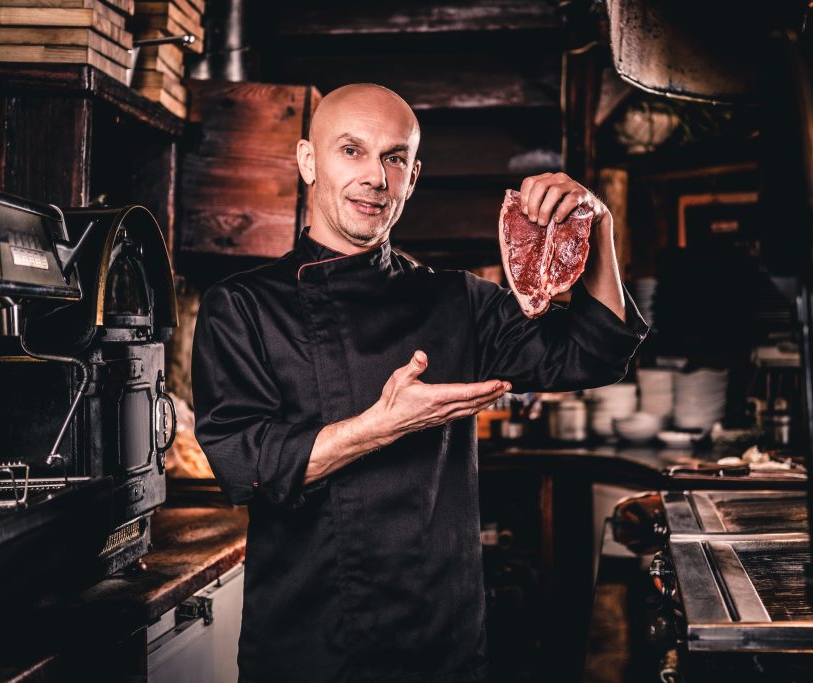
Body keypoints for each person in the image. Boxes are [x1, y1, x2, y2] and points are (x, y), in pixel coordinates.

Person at [192, 83, 648, 683]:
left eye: (395, 157)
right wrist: (379, 428)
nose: (375, 178)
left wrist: (600, 227)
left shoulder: (456, 299)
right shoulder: (243, 307)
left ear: (413, 175)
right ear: (308, 161)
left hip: (443, 640)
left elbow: (593, 354)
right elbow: (241, 462)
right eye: (351, 151)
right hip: (310, 645)